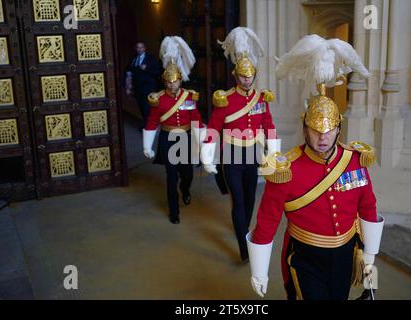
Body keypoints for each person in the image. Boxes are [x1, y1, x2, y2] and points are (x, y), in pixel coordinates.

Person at [246, 34, 385, 300]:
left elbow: (367, 206)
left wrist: (369, 256)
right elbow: (268, 220)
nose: (322, 137)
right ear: (304, 128)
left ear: (338, 129)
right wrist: (259, 270)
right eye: (315, 130)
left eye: (329, 130)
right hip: (305, 257)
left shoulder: (354, 160)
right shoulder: (284, 168)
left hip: (345, 254)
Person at [200, 27, 281, 262]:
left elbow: (269, 125)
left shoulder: (261, 99)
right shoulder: (225, 99)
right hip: (231, 155)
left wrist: (273, 153)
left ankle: (243, 229)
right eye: (243, 76)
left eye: (250, 75)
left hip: (253, 154)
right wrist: (207, 153)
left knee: (249, 198)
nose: (247, 79)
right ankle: (244, 247)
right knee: (238, 199)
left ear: (254, 74)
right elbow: (214, 127)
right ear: (236, 75)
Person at [142, 36, 205, 225]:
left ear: (180, 80)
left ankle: (185, 189)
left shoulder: (189, 96)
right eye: (168, 82)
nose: (171, 85)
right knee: (171, 176)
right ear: (164, 81)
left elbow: (197, 119)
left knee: (187, 174)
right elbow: (152, 122)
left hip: (185, 137)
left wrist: (203, 141)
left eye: (175, 81)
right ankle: (174, 211)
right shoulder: (158, 99)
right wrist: (147, 146)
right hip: (167, 138)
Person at [125, 42, 161, 128]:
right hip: (138, 88)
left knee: (147, 107)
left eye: (141, 47)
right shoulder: (134, 59)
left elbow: (157, 71)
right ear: (136, 49)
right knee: (141, 106)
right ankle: (146, 123)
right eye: (138, 47)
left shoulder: (150, 58)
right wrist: (128, 86)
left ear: (145, 48)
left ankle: (148, 125)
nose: (140, 49)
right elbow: (129, 71)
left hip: (148, 87)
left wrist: (147, 68)